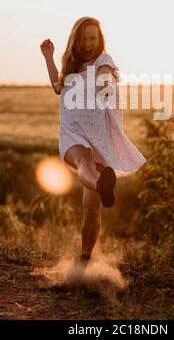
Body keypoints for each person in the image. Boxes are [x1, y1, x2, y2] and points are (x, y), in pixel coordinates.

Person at [40, 16, 147, 264]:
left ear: (99, 40)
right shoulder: (72, 66)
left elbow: (105, 75)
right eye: (85, 38)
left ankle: (84, 259)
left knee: (91, 207)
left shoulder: (103, 60)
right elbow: (58, 86)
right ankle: (100, 183)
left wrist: (103, 85)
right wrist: (48, 57)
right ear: (77, 40)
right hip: (72, 132)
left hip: (98, 137)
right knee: (84, 163)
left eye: (93, 38)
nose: (89, 43)